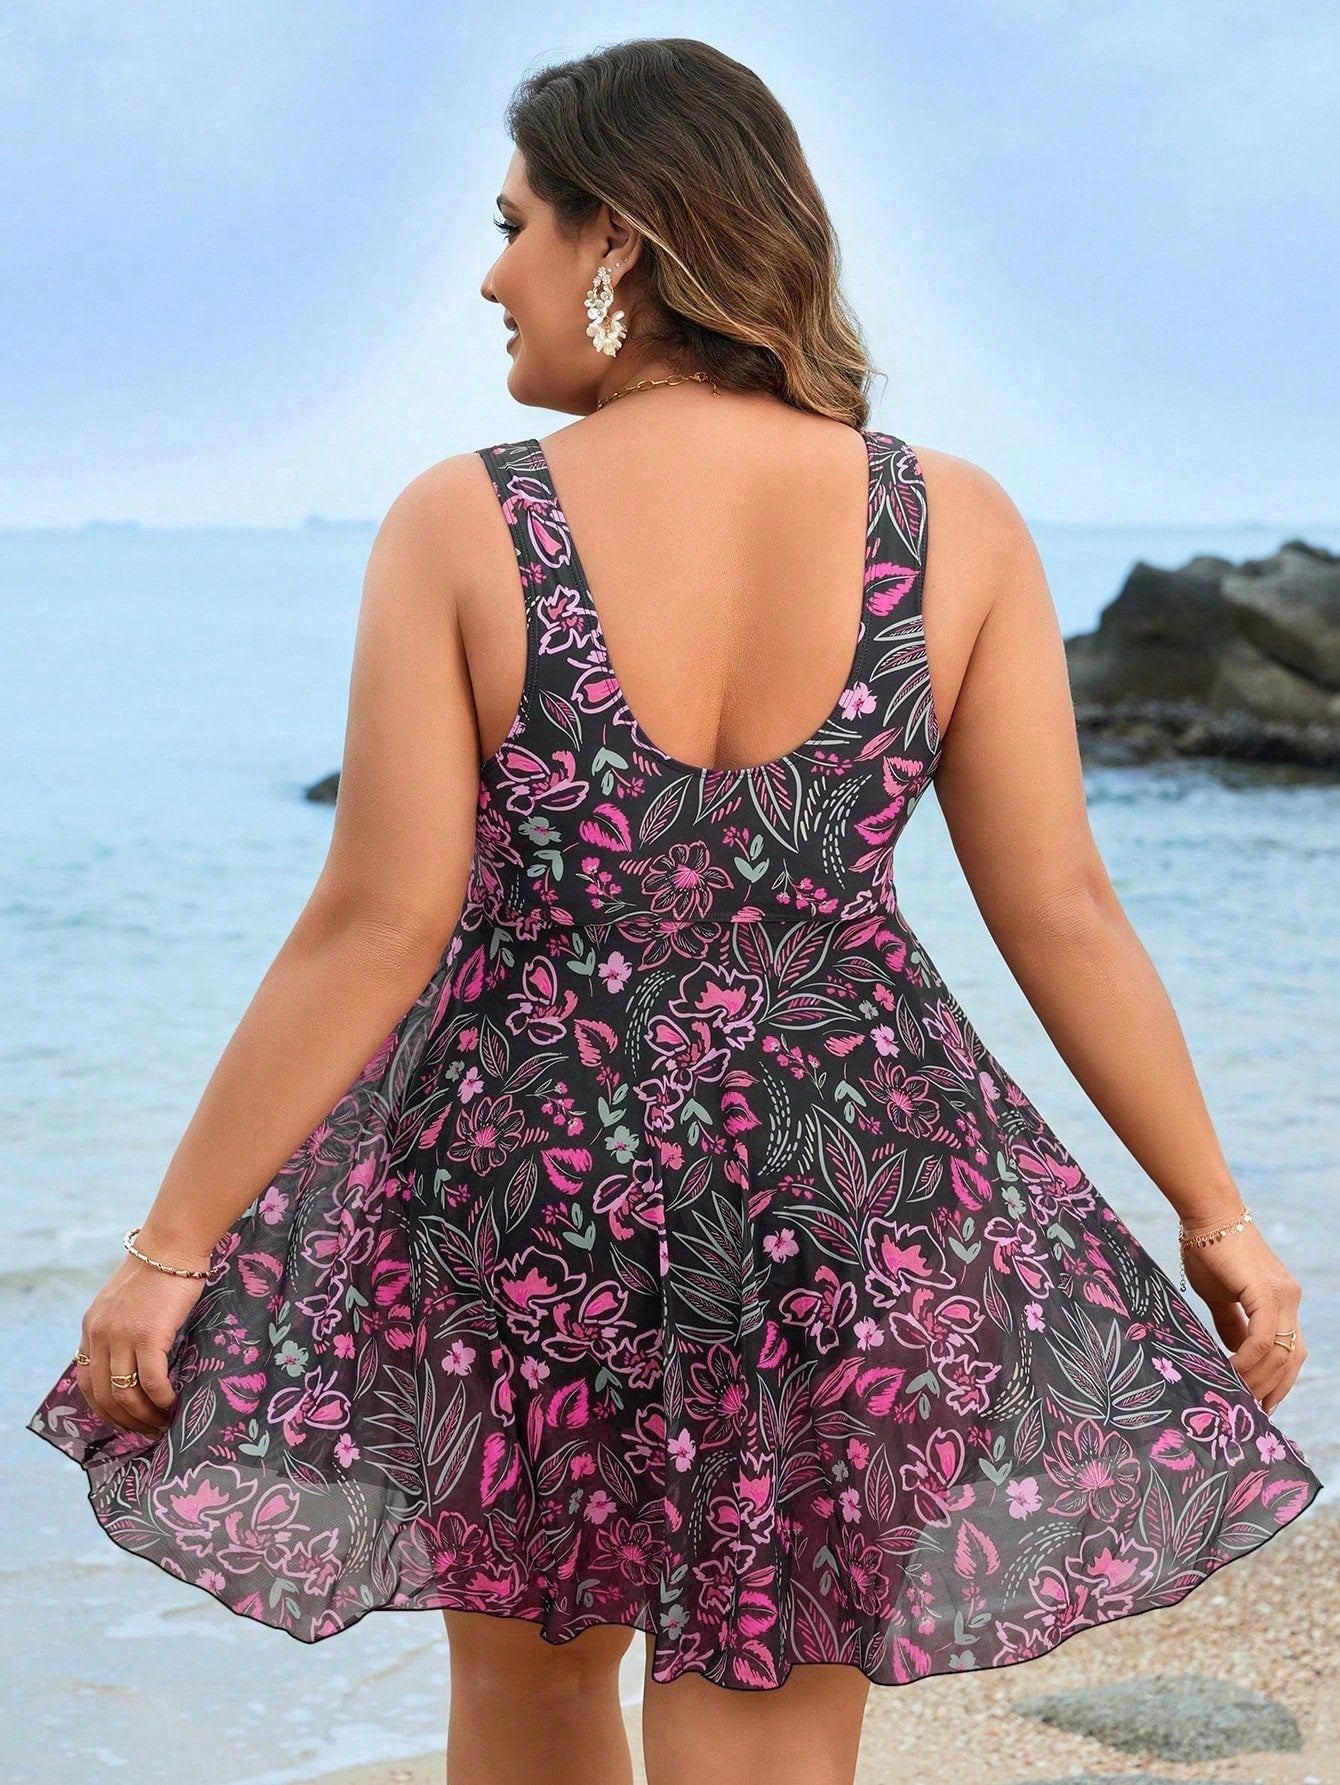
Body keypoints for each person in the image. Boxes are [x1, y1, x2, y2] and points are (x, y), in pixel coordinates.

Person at [28, 36, 1320, 1785]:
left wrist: (174, 1245)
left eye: (515, 226)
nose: (492, 277)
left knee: (536, 1698)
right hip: (848, 1186)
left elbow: (374, 921)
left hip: (530, 1181)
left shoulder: (468, 523)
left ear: (619, 240)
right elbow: (1065, 908)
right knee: (769, 1722)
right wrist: (1214, 1211)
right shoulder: (953, 523)